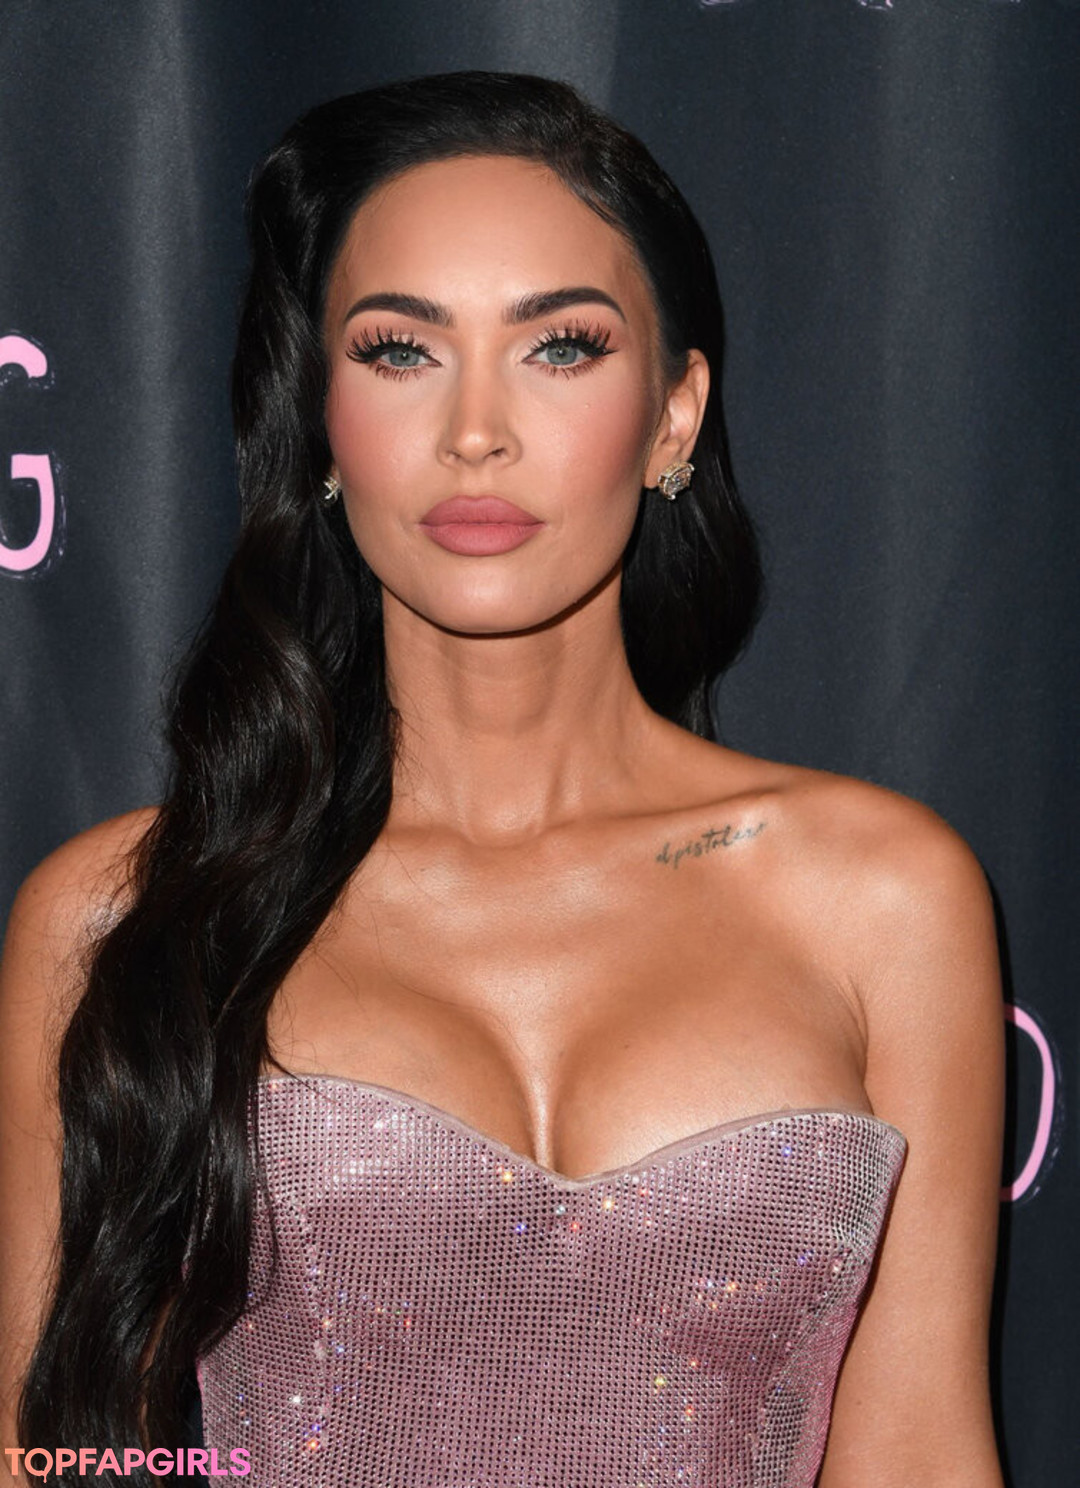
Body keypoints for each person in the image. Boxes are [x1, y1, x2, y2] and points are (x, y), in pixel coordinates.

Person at [0, 71, 1005, 1487]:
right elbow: (45, 1457)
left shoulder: (882, 897)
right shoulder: (123, 916)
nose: (476, 429)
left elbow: (919, 1450)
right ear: (322, 418)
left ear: (674, 417)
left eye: (562, 347)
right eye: (401, 351)